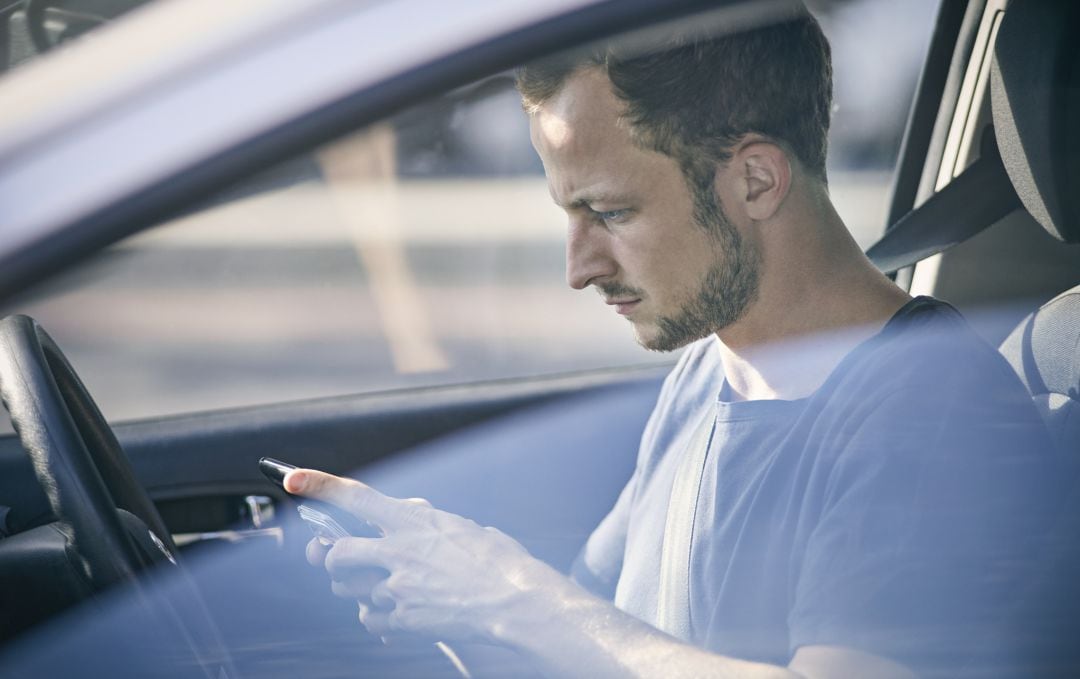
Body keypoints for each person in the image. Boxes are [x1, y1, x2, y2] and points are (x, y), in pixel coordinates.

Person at [284, 8, 1069, 677]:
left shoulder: (932, 412)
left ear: (757, 181)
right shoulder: (711, 370)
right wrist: (454, 594)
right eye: (569, 214)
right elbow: (614, 638)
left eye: (612, 213)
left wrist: (513, 595)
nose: (579, 267)